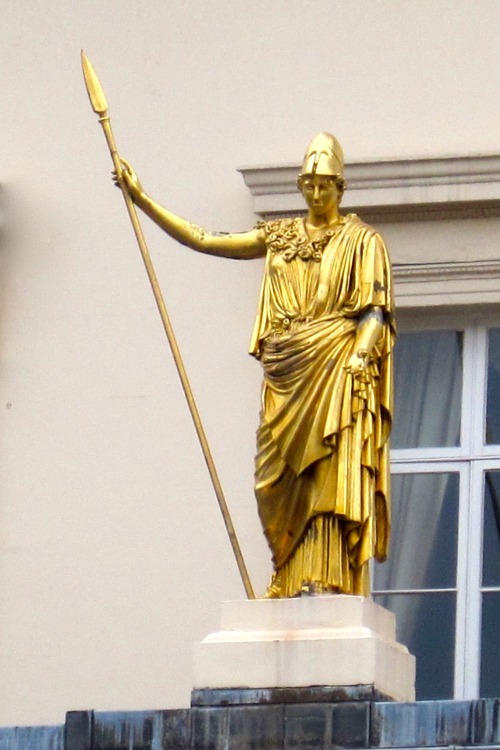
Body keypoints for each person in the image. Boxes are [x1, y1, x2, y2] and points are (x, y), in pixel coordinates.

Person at [116, 132, 395, 598]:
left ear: (341, 188)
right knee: (272, 484)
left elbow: (374, 313)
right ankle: (285, 574)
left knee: (324, 473)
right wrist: (142, 199)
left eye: (326, 183)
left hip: (333, 368)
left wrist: (360, 355)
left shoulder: (362, 242)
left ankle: (322, 577)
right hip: (285, 374)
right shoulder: (280, 236)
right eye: (309, 182)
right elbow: (206, 240)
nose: (317, 191)